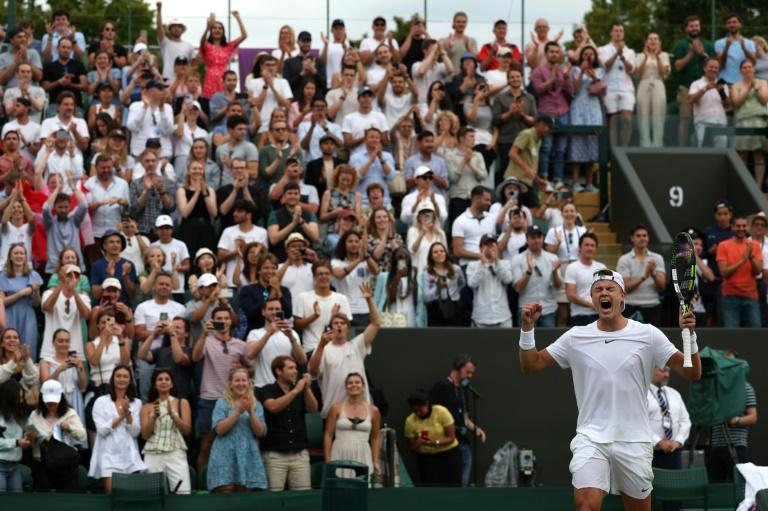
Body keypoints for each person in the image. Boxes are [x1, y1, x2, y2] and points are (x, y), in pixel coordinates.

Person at [518, 268, 702, 511]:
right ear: (593, 299)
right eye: (598, 290)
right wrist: (528, 328)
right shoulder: (575, 337)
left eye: (610, 288)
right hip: (591, 438)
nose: (604, 293)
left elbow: (692, 373)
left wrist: (689, 335)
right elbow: (531, 365)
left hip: (634, 440)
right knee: (586, 507)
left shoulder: (648, 335)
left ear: (622, 296)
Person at [309, 282, 379, 417]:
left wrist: (369, 300)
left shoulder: (357, 345)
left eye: (343, 323)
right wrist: (321, 345)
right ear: (331, 327)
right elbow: (313, 371)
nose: (339, 326)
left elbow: (376, 323)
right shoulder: (323, 349)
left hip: (360, 412)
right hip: (333, 413)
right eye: (335, 323)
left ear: (348, 329)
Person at [191, 308, 247, 471]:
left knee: (232, 443)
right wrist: (203, 334)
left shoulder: (240, 344)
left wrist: (243, 366)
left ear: (231, 321)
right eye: (219, 318)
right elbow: (195, 357)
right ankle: (203, 483)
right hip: (209, 397)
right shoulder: (206, 341)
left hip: (232, 398)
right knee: (206, 443)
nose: (223, 321)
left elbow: (252, 370)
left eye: (225, 318)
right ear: (213, 321)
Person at [259, 356, 318, 491]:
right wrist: (296, 391)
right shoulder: (265, 390)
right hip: (275, 456)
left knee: (302, 500)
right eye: (290, 368)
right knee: (273, 499)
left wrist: (307, 389)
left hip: (299, 455)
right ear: (278, 371)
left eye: (296, 368)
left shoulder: (301, 390)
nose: (295, 371)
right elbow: (273, 407)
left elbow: (313, 409)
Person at [207, 367, 267, 492]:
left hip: (248, 452)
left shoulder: (257, 405)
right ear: (230, 384)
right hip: (224, 453)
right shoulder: (221, 403)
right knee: (226, 490)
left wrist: (251, 412)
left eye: (244, 380)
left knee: (246, 492)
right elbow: (219, 430)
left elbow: (260, 432)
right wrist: (238, 411)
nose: (241, 384)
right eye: (237, 381)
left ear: (249, 383)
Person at [429, 355, 486, 487]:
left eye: (472, 373)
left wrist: (476, 429)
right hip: (448, 442)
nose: (470, 376)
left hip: (463, 441)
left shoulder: (462, 390)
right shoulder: (442, 386)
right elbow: (432, 412)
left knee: (464, 478)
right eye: (468, 372)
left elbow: (465, 417)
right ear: (458, 368)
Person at [88, 364, 146, 494]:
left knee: (128, 496)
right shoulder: (100, 401)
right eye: (118, 376)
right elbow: (102, 431)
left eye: (125, 376)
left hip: (129, 453)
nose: (122, 379)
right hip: (107, 454)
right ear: (112, 379)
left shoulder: (137, 403)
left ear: (130, 380)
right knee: (111, 494)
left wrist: (128, 413)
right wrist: (121, 417)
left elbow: (135, 432)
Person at [706, 350, 757, 483]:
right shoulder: (715, 387)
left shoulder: (745, 387)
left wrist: (735, 420)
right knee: (715, 485)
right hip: (716, 444)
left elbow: (752, 417)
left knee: (739, 485)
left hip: (736, 445)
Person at [27, 379, 86, 491]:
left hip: (65, 463)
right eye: (48, 402)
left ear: (61, 398)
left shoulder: (70, 413)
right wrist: (31, 437)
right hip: (41, 464)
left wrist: (69, 427)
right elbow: (27, 439)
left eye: (54, 401)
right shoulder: (35, 415)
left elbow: (82, 436)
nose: (51, 404)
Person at [140, 369, 192, 494]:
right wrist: (154, 417)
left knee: (183, 492)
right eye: (160, 379)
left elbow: (187, 430)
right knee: (153, 495)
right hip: (153, 453)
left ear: (172, 384)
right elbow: (145, 435)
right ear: (155, 384)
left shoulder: (182, 403)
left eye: (167, 379)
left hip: (176, 452)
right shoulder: (147, 407)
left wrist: (173, 415)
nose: (163, 382)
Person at [324, 373, 381, 482]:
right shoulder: (336, 408)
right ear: (346, 387)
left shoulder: (374, 411)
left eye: (357, 382)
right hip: (340, 453)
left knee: (361, 490)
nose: (353, 385)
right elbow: (328, 435)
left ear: (363, 386)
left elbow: (375, 438)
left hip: (363, 454)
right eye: (350, 383)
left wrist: (375, 461)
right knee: (340, 489)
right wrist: (328, 461)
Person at [648, 365, 691, 511]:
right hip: (650, 454)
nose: (666, 374)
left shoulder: (674, 394)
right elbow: (636, 423)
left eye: (668, 371)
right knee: (652, 497)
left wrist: (677, 441)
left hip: (673, 453)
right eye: (662, 370)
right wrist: (659, 442)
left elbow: (685, 421)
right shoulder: (640, 394)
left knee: (674, 496)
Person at [531, 42, 572, 190]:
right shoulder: (538, 71)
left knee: (561, 148)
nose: (554, 54)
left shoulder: (564, 71)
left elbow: (570, 93)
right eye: (552, 52)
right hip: (546, 112)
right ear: (546, 54)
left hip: (563, 112)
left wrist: (566, 78)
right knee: (546, 148)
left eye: (557, 52)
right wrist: (552, 79)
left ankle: (558, 179)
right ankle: (544, 178)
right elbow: (538, 90)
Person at [671, 16, 715, 147]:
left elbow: (713, 65)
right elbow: (678, 66)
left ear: (700, 27)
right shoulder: (680, 44)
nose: (694, 28)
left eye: (697, 25)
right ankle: (682, 152)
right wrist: (691, 52)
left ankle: (703, 150)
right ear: (686, 28)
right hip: (685, 88)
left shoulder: (708, 44)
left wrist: (704, 55)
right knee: (685, 121)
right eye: (691, 26)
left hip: (705, 88)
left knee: (704, 120)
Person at [244, 298, 307, 388]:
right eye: (271, 309)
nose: (274, 312)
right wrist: (269, 333)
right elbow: (250, 354)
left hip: (286, 388)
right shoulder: (255, 333)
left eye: (277, 309)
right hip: (262, 386)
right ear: (263, 312)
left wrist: (291, 338)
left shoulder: (291, 333)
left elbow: (302, 360)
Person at [293, 260, 352, 354]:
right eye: (320, 274)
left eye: (327, 274)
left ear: (331, 276)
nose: (324, 277)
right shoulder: (303, 297)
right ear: (314, 277)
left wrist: (334, 317)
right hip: (311, 349)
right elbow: (297, 325)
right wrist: (315, 316)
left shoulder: (341, 298)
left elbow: (347, 328)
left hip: (336, 349)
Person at [404, 390, 462, 487]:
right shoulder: (410, 421)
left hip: (449, 455)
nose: (418, 413)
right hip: (427, 459)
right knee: (431, 488)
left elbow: (451, 437)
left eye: (420, 410)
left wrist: (435, 442)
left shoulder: (441, 412)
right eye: (415, 411)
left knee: (452, 486)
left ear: (427, 404)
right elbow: (411, 446)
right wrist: (418, 443)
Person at [492, 67, 537, 182]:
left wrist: (522, 114)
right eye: (512, 77)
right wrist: (510, 113)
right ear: (508, 80)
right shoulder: (500, 98)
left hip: (525, 142)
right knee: (507, 172)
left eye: (517, 76)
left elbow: (535, 120)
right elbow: (495, 119)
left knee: (525, 173)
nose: (515, 79)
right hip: (506, 140)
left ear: (522, 78)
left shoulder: (530, 98)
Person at [716, 216, 762, 327]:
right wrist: (743, 260)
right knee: (732, 336)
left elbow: (758, 272)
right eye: (738, 226)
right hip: (730, 297)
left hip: (751, 296)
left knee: (755, 334)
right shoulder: (723, 245)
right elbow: (724, 273)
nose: (741, 228)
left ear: (748, 227)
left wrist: (750, 257)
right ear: (732, 227)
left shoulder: (755, 245)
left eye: (744, 226)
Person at [512, 225, 561, 327]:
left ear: (543, 239)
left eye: (539, 237)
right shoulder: (517, 259)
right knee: (525, 342)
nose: (537, 240)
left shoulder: (553, 258)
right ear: (527, 240)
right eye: (533, 237)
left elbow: (558, 286)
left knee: (548, 342)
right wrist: (529, 272)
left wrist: (554, 272)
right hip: (526, 310)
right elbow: (517, 289)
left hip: (548, 309)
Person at [569, 46, 603, 192]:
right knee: (577, 142)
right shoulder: (575, 70)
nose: (588, 56)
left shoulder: (600, 71)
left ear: (595, 57)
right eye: (586, 54)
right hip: (578, 106)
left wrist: (594, 76)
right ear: (581, 56)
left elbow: (602, 90)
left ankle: (589, 183)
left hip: (594, 108)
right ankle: (575, 182)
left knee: (592, 143)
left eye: (591, 54)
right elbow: (574, 90)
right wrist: (582, 71)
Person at [616, 226, 666, 325]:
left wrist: (653, 274)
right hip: (631, 306)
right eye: (638, 236)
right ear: (632, 238)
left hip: (652, 306)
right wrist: (644, 277)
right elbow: (624, 288)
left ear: (648, 238)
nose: (642, 238)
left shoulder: (657, 258)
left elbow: (662, 286)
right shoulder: (624, 259)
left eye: (644, 235)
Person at [40, 264, 91, 360]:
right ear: (62, 278)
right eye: (69, 275)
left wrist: (74, 291)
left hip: (74, 351)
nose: (72, 279)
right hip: (50, 350)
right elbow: (46, 307)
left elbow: (86, 315)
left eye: (76, 276)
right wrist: (61, 284)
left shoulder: (83, 298)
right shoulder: (48, 293)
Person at [731, 59, 768, 188]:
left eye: (749, 67)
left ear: (753, 69)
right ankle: (743, 184)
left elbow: (764, 100)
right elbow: (736, 103)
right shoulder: (736, 85)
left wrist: (756, 88)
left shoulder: (763, 83)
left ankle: (758, 186)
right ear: (741, 70)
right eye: (745, 67)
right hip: (743, 121)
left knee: (758, 154)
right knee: (743, 154)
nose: (747, 69)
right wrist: (748, 89)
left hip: (759, 120)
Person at [0, 243, 42, 357]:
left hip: (28, 316)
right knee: (10, 350)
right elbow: (1, 302)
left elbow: (37, 304)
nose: (19, 256)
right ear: (10, 257)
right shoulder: (2, 276)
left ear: (25, 256)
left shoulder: (34, 275)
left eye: (22, 253)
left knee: (28, 347)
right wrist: (20, 293)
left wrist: (35, 292)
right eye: (16, 253)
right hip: (10, 315)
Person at [598, 22, 636, 147]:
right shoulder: (602, 49)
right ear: (611, 33)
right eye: (616, 30)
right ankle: (614, 152)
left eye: (621, 31)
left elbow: (631, 70)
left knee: (627, 120)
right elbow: (606, 66)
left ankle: (623, 149)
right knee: (612, 122)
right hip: (610, 89)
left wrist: (623, 57)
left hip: (626, 89)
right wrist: (616, 53)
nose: (618, 33)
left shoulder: (630, 51)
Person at [39, 329, 87, 426]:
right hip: (55, 400)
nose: (64, 344)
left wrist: (79, 367)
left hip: (75, 399)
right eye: (60, 341)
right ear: (53, 342)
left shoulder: (76, 361)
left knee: (76, 431)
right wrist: (59, 370)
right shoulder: (46, 362)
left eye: (66, 341)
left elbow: (83, 386)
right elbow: (45, 384)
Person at [217, 199, 268, 288]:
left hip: (254, 282)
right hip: (231, 283)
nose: (234, 214)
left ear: (249, 215)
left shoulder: (261, 232)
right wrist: (237, 251)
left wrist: (245, 249)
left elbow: (264, 257)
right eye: (235, 211)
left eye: (239, 211)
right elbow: (220, 256)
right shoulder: (228, 231)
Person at [504, 115, 555, 204]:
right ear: (541, 124)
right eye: (549, 127)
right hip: (515, 180)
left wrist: (537, 180)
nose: (550, 131)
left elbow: (530, 164)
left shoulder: (539, 140)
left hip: (527, 181)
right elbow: (512, 153)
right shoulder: (526, 134)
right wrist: (526, 169)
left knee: (530, 211)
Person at [466, 234, 514, 327]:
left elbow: (508, 280)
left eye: (492, 244)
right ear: (480, 249)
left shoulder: (505, 263)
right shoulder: (472, 265)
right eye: (486, 245)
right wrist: (483, 265)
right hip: (480, 318)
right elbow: (472, 284)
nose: (490, 247)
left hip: (503, 317)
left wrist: (497, 262)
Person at [198, 12, 247, 98]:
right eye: (215, 28)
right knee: (209, 106)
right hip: (210, 80)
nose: (217, 30)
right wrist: (207, 28)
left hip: (224, 80)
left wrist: (238, 18)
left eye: (220, 28)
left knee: (225, 104)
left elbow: (244, 35)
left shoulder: (228, 47)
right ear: (211, 31)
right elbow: (202, 41)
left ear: (223, 32)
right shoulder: (207, 45)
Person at [267, 181, 319, 261]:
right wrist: (293, 223)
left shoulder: (309, 214)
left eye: (295, 194)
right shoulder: (275, 214)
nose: (293, 196)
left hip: (305, 260)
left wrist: (300, 220)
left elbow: (314, 236)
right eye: (290, 193)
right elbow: (273, 239)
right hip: (282, 259)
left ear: (299, 196)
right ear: (284, 196)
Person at [374, 248, 426, 327]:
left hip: (411, 316)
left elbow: (417, 300)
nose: (404, 260)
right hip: (391, 317)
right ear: (394, 260)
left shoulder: (418, 276)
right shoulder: (383, 277)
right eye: (400, 257)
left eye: (406, 257)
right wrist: (398, 276)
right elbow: (388, 299)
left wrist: (414, 279)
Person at [635, 34, 670, 148]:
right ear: (646, 42)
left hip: (658, 84)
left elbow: (663, 72)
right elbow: (638, 74)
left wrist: (657, 56)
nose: (653, 41)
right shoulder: (640, 56)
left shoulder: (664, 55)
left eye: (655, 39)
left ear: (659, 42)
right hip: (644, 84)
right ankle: (645, 144)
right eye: (650, 39)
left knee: (658, 115)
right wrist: (645, 57)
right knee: (643, 115)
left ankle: (657, 144)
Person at [564, 233, 606, 326]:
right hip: (579, 316)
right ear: (580, 247)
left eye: (592, 245)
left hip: (600, 315)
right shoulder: (572, 267)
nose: (590, 248)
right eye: (586, 245)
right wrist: (592, 306)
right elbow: (570, 295)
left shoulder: (602, 267)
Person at [689, 58, 730, 148]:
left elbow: (727, 106)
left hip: (721, 124)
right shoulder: (696, 83)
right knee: (704, 154)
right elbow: (691, 100)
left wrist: (721, 92)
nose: (713, 69)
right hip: (703, 123)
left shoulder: (723, 84)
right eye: (711, 67)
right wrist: (705, 88)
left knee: (721, 154)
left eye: (716, 68)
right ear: (704, 68)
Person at [422, 242, 465, 326]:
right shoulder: (427, 273)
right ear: (431, 256)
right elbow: (426, 297)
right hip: (435, 309)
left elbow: (462, 283)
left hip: (454, 306)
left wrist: (454, 291)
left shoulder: (456, 269)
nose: (439, 253)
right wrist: (438, 288)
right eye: (435, 252)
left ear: (446, 253)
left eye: (442, 251)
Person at [0, 379, 31, 493]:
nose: (21, 401)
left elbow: (34, 429)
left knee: (17, 502)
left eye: (22, 397)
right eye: (18, 398)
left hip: (15, 466)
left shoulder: (20, 414)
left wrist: (33, 435)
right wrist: (16, 443)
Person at [715, 14, 757, 84]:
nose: (732, 24)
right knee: (723, 95)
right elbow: (721, 64)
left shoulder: (750, 43)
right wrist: (726, 48)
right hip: (724, 83)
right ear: (726, 26)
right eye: (729, 22)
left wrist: (744, 49)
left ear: (740, 24)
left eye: (734, 22)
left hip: (744, 83)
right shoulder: (719, 43)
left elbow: (754, 62)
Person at [283, 31, 327, 98]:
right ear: (298, 42)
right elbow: (286, 86)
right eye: (303, 41)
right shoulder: (289, 62)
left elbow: (324, 84)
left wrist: (314, 71)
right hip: (296, 100)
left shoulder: (319, 62)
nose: (306, 43)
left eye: (308, 41)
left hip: (315, 102)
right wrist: (302, 74)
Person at [407, 201, 447, 272]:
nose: (426, 216)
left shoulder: (441, 233)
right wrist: (422, 233)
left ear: (434, 216)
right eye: (423, 213)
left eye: (429, 213)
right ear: (418, 217)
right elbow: (412, 250)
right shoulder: (412, 231)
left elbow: (445, 254)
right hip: (419, 272)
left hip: (436, 273)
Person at [0, 329, 38, 398]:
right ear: (2, 343)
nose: (12, 340)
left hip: (22, 403)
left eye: (15, 338)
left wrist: (27, 360)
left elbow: (32, 380)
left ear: (19, 342)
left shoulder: (25, 362)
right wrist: (13, 362)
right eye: (8, 338)